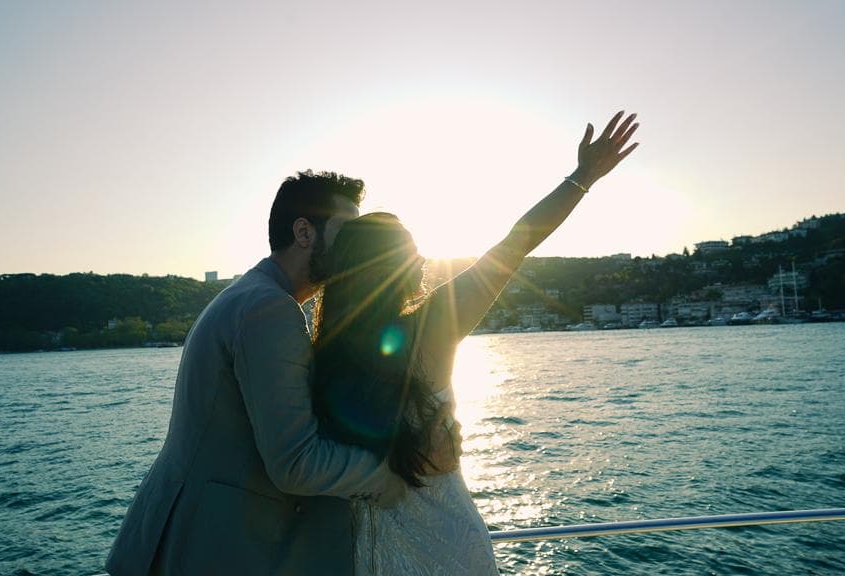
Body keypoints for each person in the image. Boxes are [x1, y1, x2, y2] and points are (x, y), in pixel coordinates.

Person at [310, 112, 639, 574]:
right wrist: (582, 178)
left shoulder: (319, 355)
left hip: (368, 552)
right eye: (411, 254)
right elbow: (512, 246)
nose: (422, 262)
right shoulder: (432, 326)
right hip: (451, 542)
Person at [105, 171, 462, 576]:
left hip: (191, 541)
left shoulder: (251, 296)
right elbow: (296, 462)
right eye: (346, 231)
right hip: (207, 549)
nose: (356, 244)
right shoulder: (268, 310)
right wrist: (405, 469)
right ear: (304, 232)